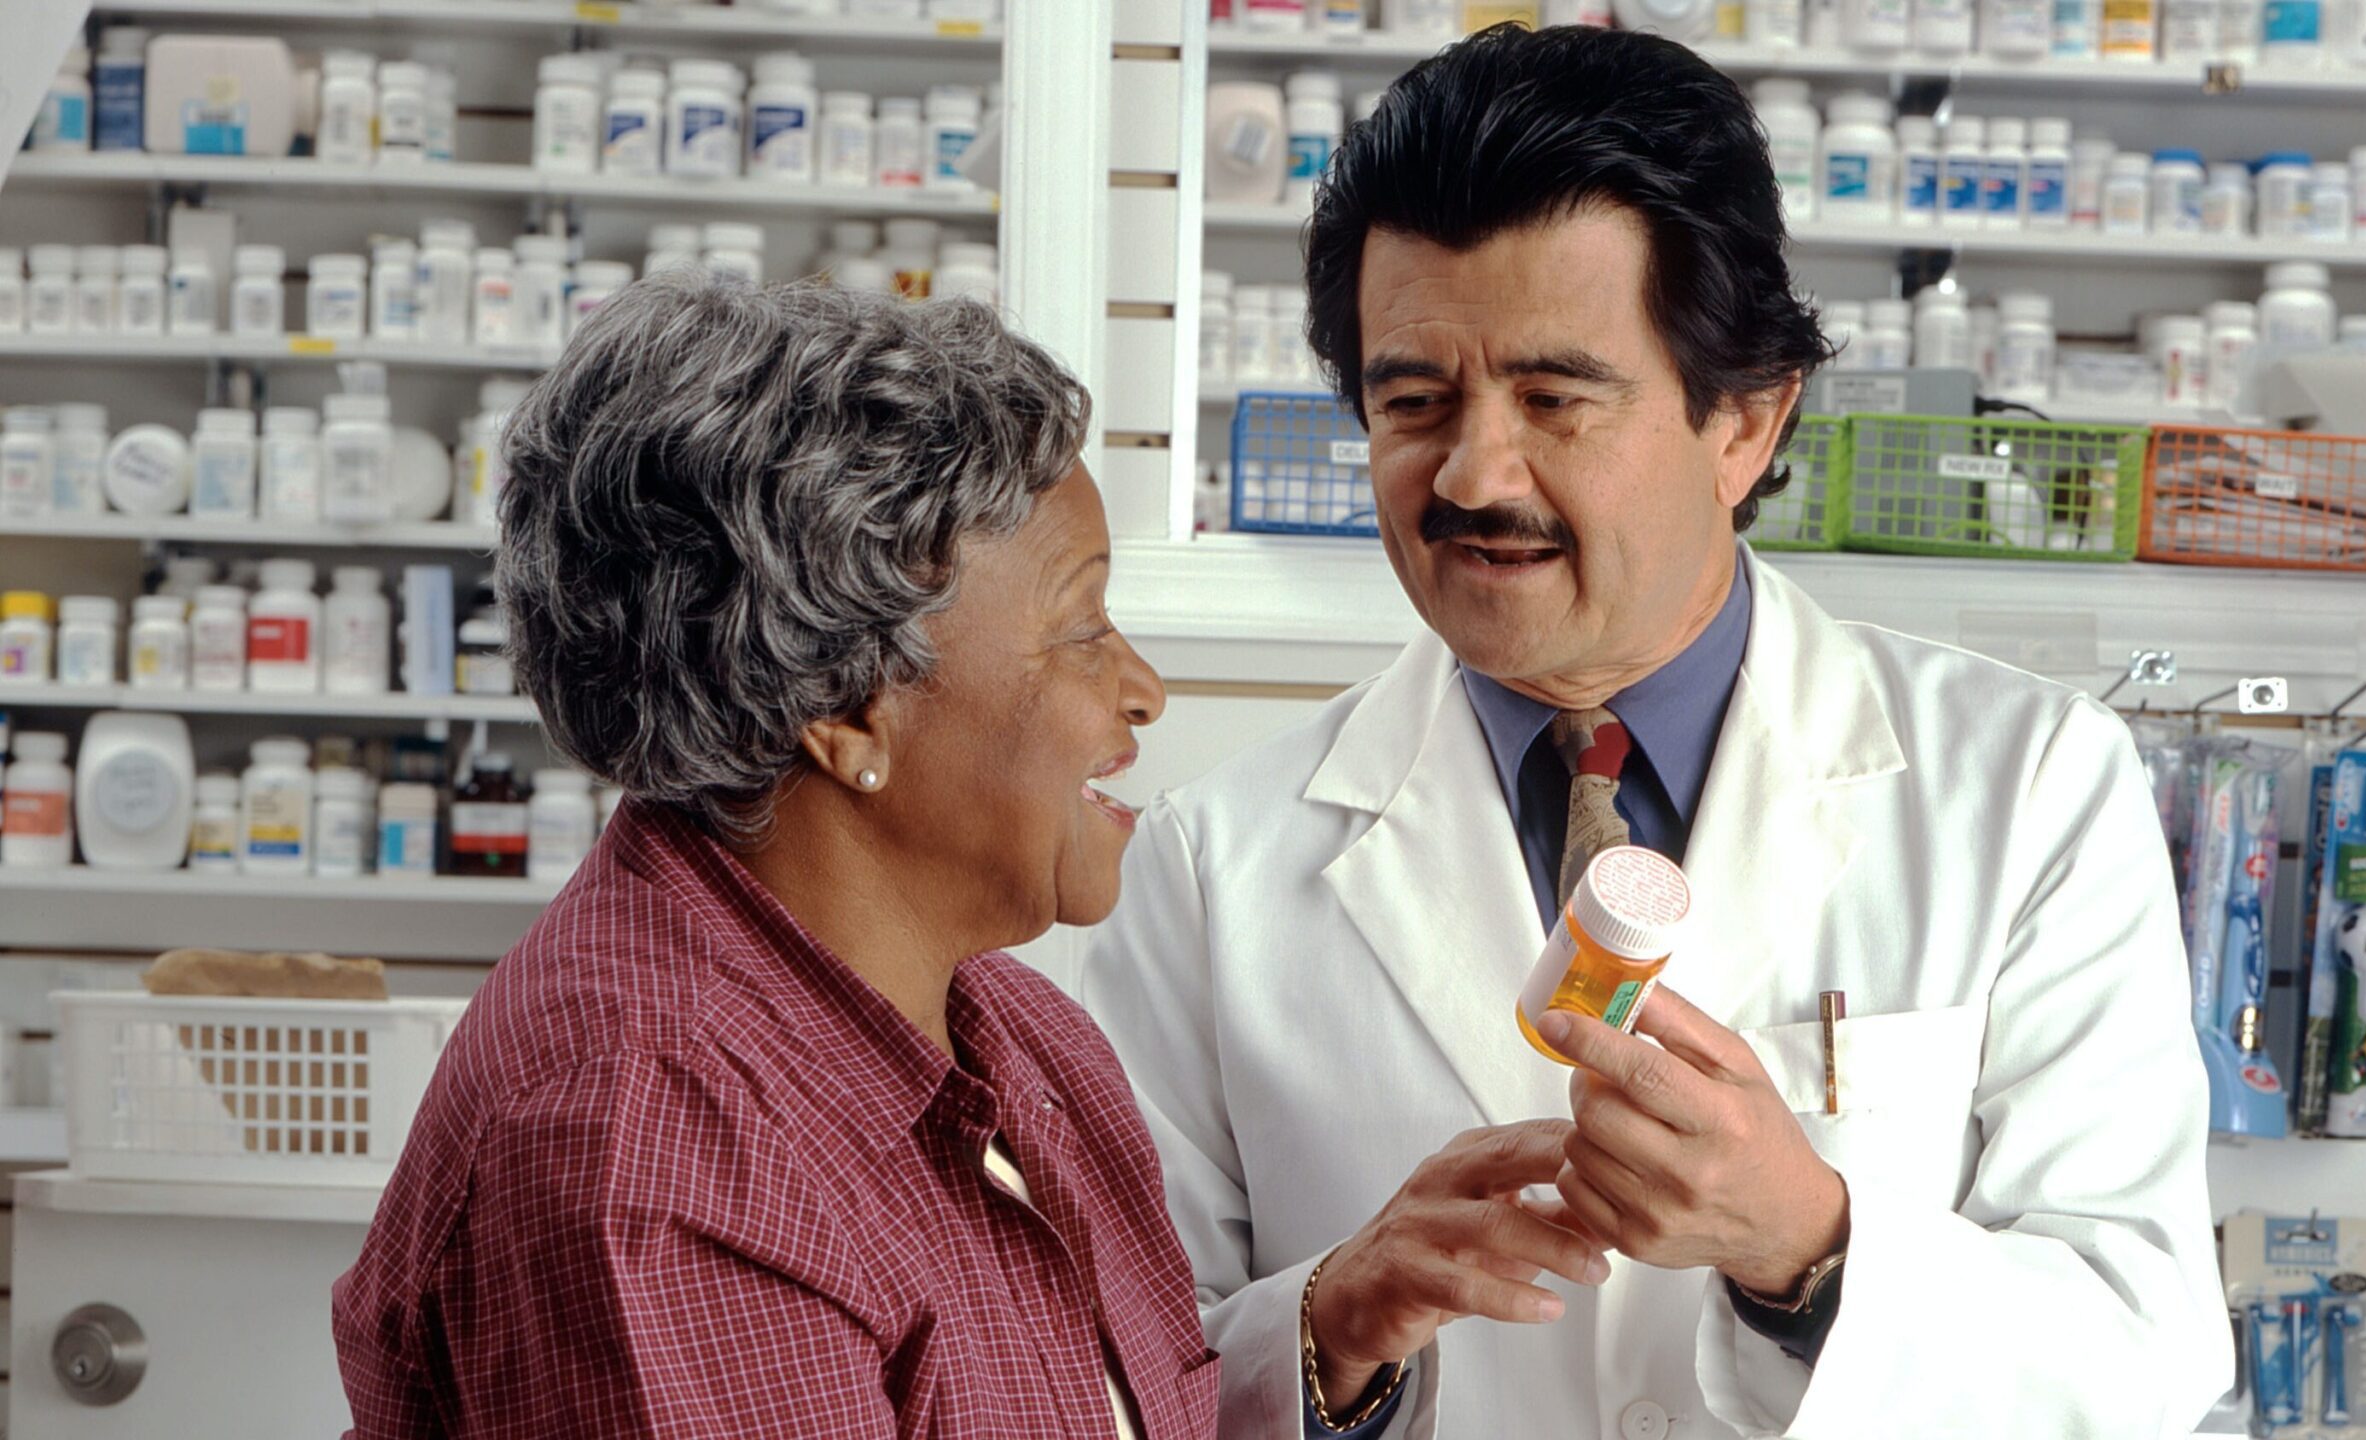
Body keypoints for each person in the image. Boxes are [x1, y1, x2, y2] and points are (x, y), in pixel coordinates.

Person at [1080, 25, 2233, 1440]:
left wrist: (1806, 1247)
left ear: (1743, 423)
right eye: (1411, 401)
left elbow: (2145, 1358)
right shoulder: (1209, 865)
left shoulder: (2030, 789)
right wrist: (1325, 1328)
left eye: (1555, 399)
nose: (1471, 472)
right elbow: (1110, 1374)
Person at [333, 275, 1215, 1439]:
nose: (1142, 690)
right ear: (849, 710)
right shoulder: (647, 1138)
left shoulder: (1023, 1042)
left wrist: (1336, 1330)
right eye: (1082, 630)